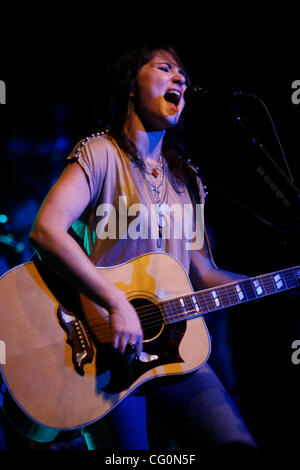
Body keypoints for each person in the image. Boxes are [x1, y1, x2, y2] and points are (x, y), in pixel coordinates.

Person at [29, 43, 258, 455]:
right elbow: (46, 231)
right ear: (133, 84)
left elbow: (203, 272)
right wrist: (116, 303)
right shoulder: (100, 153)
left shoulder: (187, 179)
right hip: (103, 352)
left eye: (183, 76)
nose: (181, 80)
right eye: (166, 68)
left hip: (176, 351)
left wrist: (271, 287)